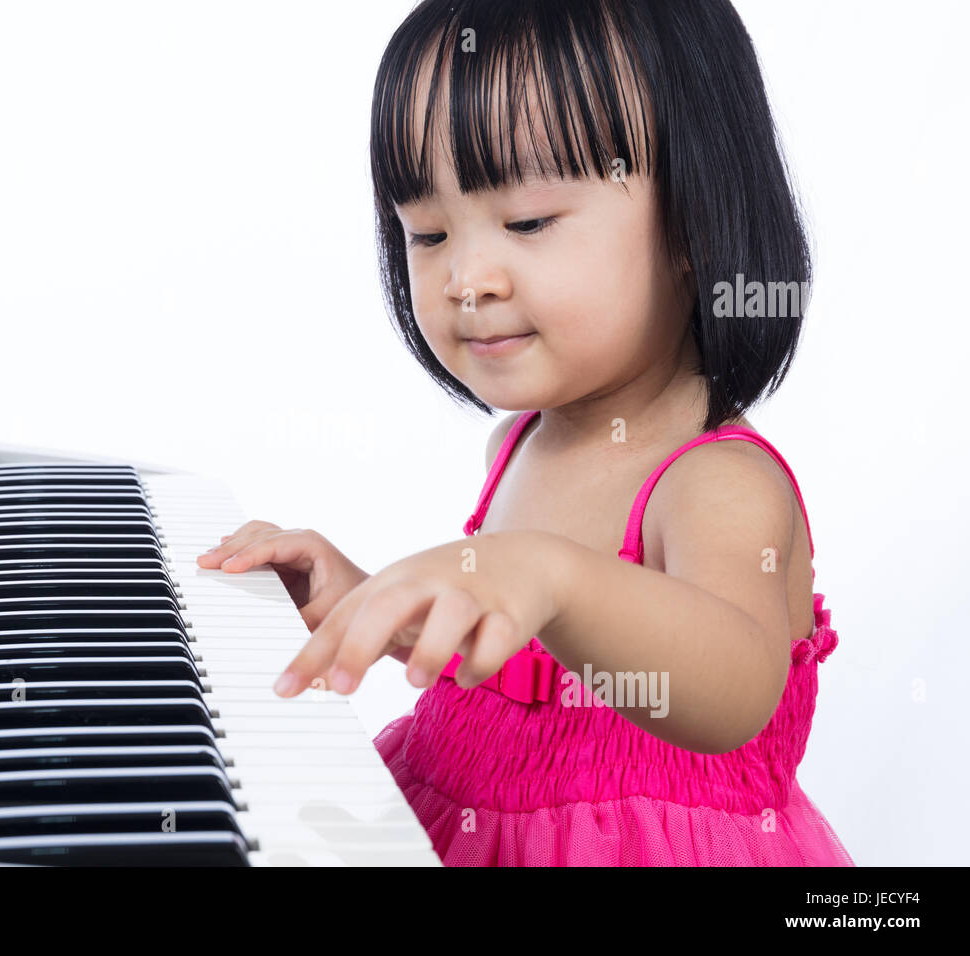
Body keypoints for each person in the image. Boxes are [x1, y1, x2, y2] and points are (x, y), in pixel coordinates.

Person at [199, 0, 854, 866]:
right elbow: (511, 658)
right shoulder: (515, 446)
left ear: (696, 221)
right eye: (427, 233)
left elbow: (735, 687)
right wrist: (371, 603)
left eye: (529, 222)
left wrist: (554, 575)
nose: (468, 279)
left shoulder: (716, 482)